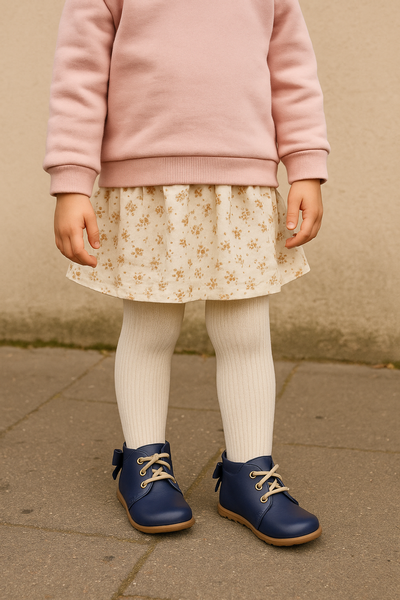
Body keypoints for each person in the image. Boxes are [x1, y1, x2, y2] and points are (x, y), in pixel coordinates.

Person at [43, 0, 330, 547]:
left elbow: (291, 67)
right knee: (150, 331)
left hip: (243, 184)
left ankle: (248, 473)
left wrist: (306, 166)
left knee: (245, 334)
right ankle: (143, 465)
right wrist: (72, 180)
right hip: (144, 185)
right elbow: (80, 73)